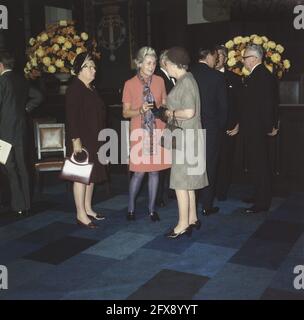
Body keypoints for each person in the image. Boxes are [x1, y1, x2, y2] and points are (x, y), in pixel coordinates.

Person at [163, 46, 208, 239]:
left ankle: (181, 225)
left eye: (166, 65)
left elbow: (189, 112)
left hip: (185, 138)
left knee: (181, 184)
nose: (166, 68)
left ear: (174, 64)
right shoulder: (187, 79)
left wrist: (170, 113)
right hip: (189, 136)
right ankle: (192, 219)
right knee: (188, 183)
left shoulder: (185, 82)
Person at [122, 46, 170, 222]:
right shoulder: (129, 84)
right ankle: (131, 208)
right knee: (139, 173)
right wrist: (140, 110)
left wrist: (163, 108)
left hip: (157, 130)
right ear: (139, 63)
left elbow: (165, 103)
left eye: (154, 62)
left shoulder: (159, 81)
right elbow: (125, 113)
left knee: (155, 172)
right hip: (139, 133)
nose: (152, 66)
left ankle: (151, 210)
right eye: (148, 63)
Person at [65, 52, 108, 228]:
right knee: (80, 176)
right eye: (88, 67)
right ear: (78, 70)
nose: (93, 70)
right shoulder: (75, 88)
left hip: (93, 138)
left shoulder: (90, 88)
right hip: (81, 139)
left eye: (94, 66)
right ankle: (80, 214)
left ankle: (88, 208)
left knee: (91, 175)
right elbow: (72, 117)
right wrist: (76, 141)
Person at [0, 52, 42, 216]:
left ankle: (17, 204)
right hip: (21, 129)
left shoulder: (2, 81)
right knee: (22, 166)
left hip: (4, 131)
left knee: (9, 166)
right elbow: (38, 96)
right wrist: (25, 109)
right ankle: (26, 204)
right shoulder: (21, 79)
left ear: (1, 65)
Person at [240, 44, 278, 213]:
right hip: (254, 127)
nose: (243, 61)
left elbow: (268, 104)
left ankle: (262, 203)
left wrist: (270, 126)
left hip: (258, 128)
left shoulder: (261, 75)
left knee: (260, 164)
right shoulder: (258, 74)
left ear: (254, 58)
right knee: (256, 163)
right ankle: (258, 195)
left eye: (245, 58)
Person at [191, 47, 228, 215]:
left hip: (191, 127)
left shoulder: (188, 75)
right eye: (215, 56)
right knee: (210, 167)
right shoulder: (217, 77)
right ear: (208, 56)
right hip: (212, 129)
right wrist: (220, 127)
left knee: (193, 166)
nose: (216, 59)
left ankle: (192, 203)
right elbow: (224, 108)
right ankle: (206, 205)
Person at [215, 45, 242, 201]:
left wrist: (238, 123)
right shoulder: (205, 76)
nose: (218, 58)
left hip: (229, 127)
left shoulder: (235, 79)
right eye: (215, 55)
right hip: (209, 126)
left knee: (226, 160)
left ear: (226, 58)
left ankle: (222, 192)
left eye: (221, 55)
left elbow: (240, 104)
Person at [154, 50, 176, 207]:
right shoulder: (159, 78)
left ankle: (170, 190)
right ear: (163, 62)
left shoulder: (171, 77)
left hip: (172, 123)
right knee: (161, 162)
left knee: (170, 159)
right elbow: (157, 104)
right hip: (162, 123)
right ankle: (158, 196)